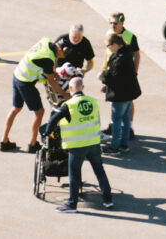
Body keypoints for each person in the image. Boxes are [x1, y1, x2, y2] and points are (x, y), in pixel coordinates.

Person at [41, 77, 114, 212]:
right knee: (99, 171)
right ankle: (108, 200)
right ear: (83, 88)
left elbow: (53, 120)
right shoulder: (92, 101)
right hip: (93, 142)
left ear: (70, 88)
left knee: (74, 174)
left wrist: (47, 133)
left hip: (77, 145)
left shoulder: (69, 105)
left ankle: (72, 204)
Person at [0, 37, 67, 152]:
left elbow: (47, 62)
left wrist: (53, 71)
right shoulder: (48, 58)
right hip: (25, 83)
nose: (64, 57)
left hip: (17, 75)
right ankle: (32, 144)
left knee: (16, 108)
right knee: (39, 112)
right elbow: (51, 81)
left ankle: (4, 141)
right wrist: (65, 95)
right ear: (60, 49)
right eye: (65, 54)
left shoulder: (46, 41)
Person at [100, 32, 141, 154]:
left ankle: (115, 147)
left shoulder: (119, 59)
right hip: (129, 92)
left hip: (120, 95)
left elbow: (115, 78)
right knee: (125, 118)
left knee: (116, 120)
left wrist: (103, 80)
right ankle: (124, 144)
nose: (108, 49)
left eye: (108, 46)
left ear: (115, 44)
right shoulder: (126, 53)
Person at [105, 12, 140, 138]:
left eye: (115, 23)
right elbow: (107, 53)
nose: (112, 25)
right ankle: (113, 124)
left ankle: (129, 127)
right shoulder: (109, 34)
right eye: (110, 22)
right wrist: (104, 69)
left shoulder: (130, 36)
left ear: (122, 22)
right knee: (112, 98)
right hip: (112, 71)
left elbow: (137, 55)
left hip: (125, 73)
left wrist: (135, 72)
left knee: (128, 99)